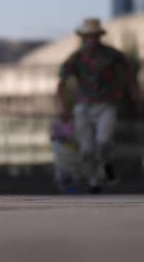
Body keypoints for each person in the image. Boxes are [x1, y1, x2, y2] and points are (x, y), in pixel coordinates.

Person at [57, 18, 139, 193]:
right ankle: (93, 181)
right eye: (88, 37)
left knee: (103, 141)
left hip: (106, 104)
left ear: (99, 37)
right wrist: (63, 107)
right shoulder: (76, 58)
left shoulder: (111, 55)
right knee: (86, 149)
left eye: (94, 36)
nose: (91, 40)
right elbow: (61, 82)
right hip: (83, 107)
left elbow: (129, 72)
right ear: (83, 38)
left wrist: (133, 92)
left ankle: (106, 162)